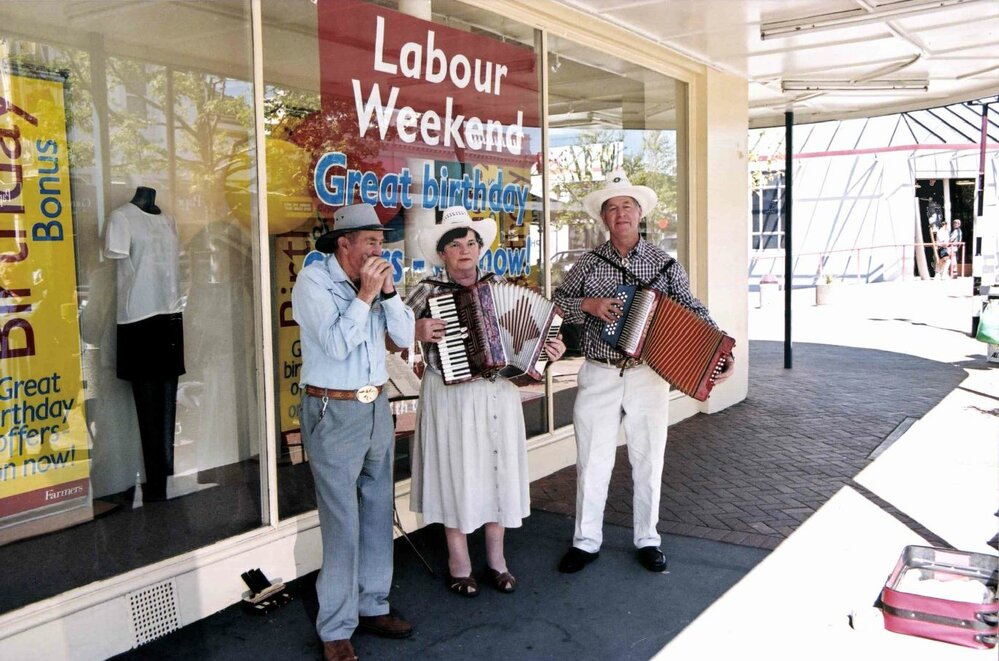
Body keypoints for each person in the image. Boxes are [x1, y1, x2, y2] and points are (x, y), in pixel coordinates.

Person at [552, 170, 734, 574]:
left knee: (649, 457)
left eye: (627, 206)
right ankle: (585, 540)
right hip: (599, 371)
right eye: (612, 208)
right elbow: (557, 303)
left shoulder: (664, 264)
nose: (620, 214)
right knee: (592, 459)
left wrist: (721, 348)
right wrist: (590, 306)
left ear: (640, 214)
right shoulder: (587, 263)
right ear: (604, 218)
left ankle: (647, 537)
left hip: (647, 373)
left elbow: (693, 309)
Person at [405, 206, 566, 597]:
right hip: (451, 397)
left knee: (497, 468)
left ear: (481, 248)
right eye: (455, 244)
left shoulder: (502, 287)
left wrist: (550, 352)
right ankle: (459, 561)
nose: (465, 250)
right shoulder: (425, 291)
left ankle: (497, 560)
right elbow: (389, 337)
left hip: (499, 393)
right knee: (456, 470)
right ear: (442, 253)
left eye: (471, 242)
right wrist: (416, 328)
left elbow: (534, 342)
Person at [292, 203, 416, 661]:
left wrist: (387, 295)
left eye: (381, 242)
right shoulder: (313, 282)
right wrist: (365, 295)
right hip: (333, 408)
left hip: (374, 403)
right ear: (344, 244)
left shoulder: (378, 285)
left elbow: (402, 339)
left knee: (379, 507)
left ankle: (373, 603)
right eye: (370, 241)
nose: (378, 249)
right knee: (342, 519)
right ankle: (336, 627)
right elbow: (339, 344)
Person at [104, 186, 184, 502]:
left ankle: (162, 483)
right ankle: (151, 484)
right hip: (137, 319)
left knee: (167, 407)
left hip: (170, 315)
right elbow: (117, 268)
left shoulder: (169, 220)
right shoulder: (121, 218)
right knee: (146, 408)